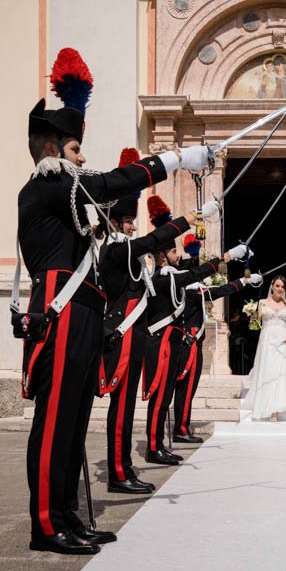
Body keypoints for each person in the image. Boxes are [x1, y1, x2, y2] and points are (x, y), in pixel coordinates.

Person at [18, 47, 212, 555]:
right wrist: (170, 161)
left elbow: (108, 204)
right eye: (76, 147)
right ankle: (45, 524)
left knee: (75, 420)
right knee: (56, 419)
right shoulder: (46, 185)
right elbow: (108, 184)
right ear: (52, 147)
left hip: (82, 312)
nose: (83, 156)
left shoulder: (69, 193)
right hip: (60, 310)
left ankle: (67, 516)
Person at [99, 151, 195, 495]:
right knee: (121, 409)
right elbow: (150, 242)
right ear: (115, 222)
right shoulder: (113, 250)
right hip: (122, 338)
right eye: (128, 221)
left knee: (126, 411)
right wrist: (188, 219)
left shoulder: (131, 256)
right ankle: (118, 472)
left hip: (135, 337)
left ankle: (123, 467)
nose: (133, 226)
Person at [142, 199, 244, 465]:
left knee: (166, 397)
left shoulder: (169, 275)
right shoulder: (165, 278)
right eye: (174, 252)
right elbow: (195, 272)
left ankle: (159, 444)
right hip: (164, 343)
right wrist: (226, 258)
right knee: (161, 398)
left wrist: (238, 278)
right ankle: (154, 446)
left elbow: (199, 278)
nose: (179, 256)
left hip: (172, 342)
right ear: (164, 255)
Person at [172, 234, 259, 441]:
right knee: (186, 387)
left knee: (188, 388)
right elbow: (220, 291)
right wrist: (244, 281)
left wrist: (243, 281)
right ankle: (181, 429)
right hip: (188, 342)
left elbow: (220, 290)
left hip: (191, 341)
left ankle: (182, 427)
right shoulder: (191, 290)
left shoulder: (193, 289)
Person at [244, 276, 286, 420]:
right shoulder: (263, 303)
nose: (280, 289)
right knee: (269, 372)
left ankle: (276, 408)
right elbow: (255, 325)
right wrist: (252, 316)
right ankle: (268, 406)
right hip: (267, 340)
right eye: (277, 286)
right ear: (272, 287)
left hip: (284, 340)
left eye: (282, 287)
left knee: (280, 373)